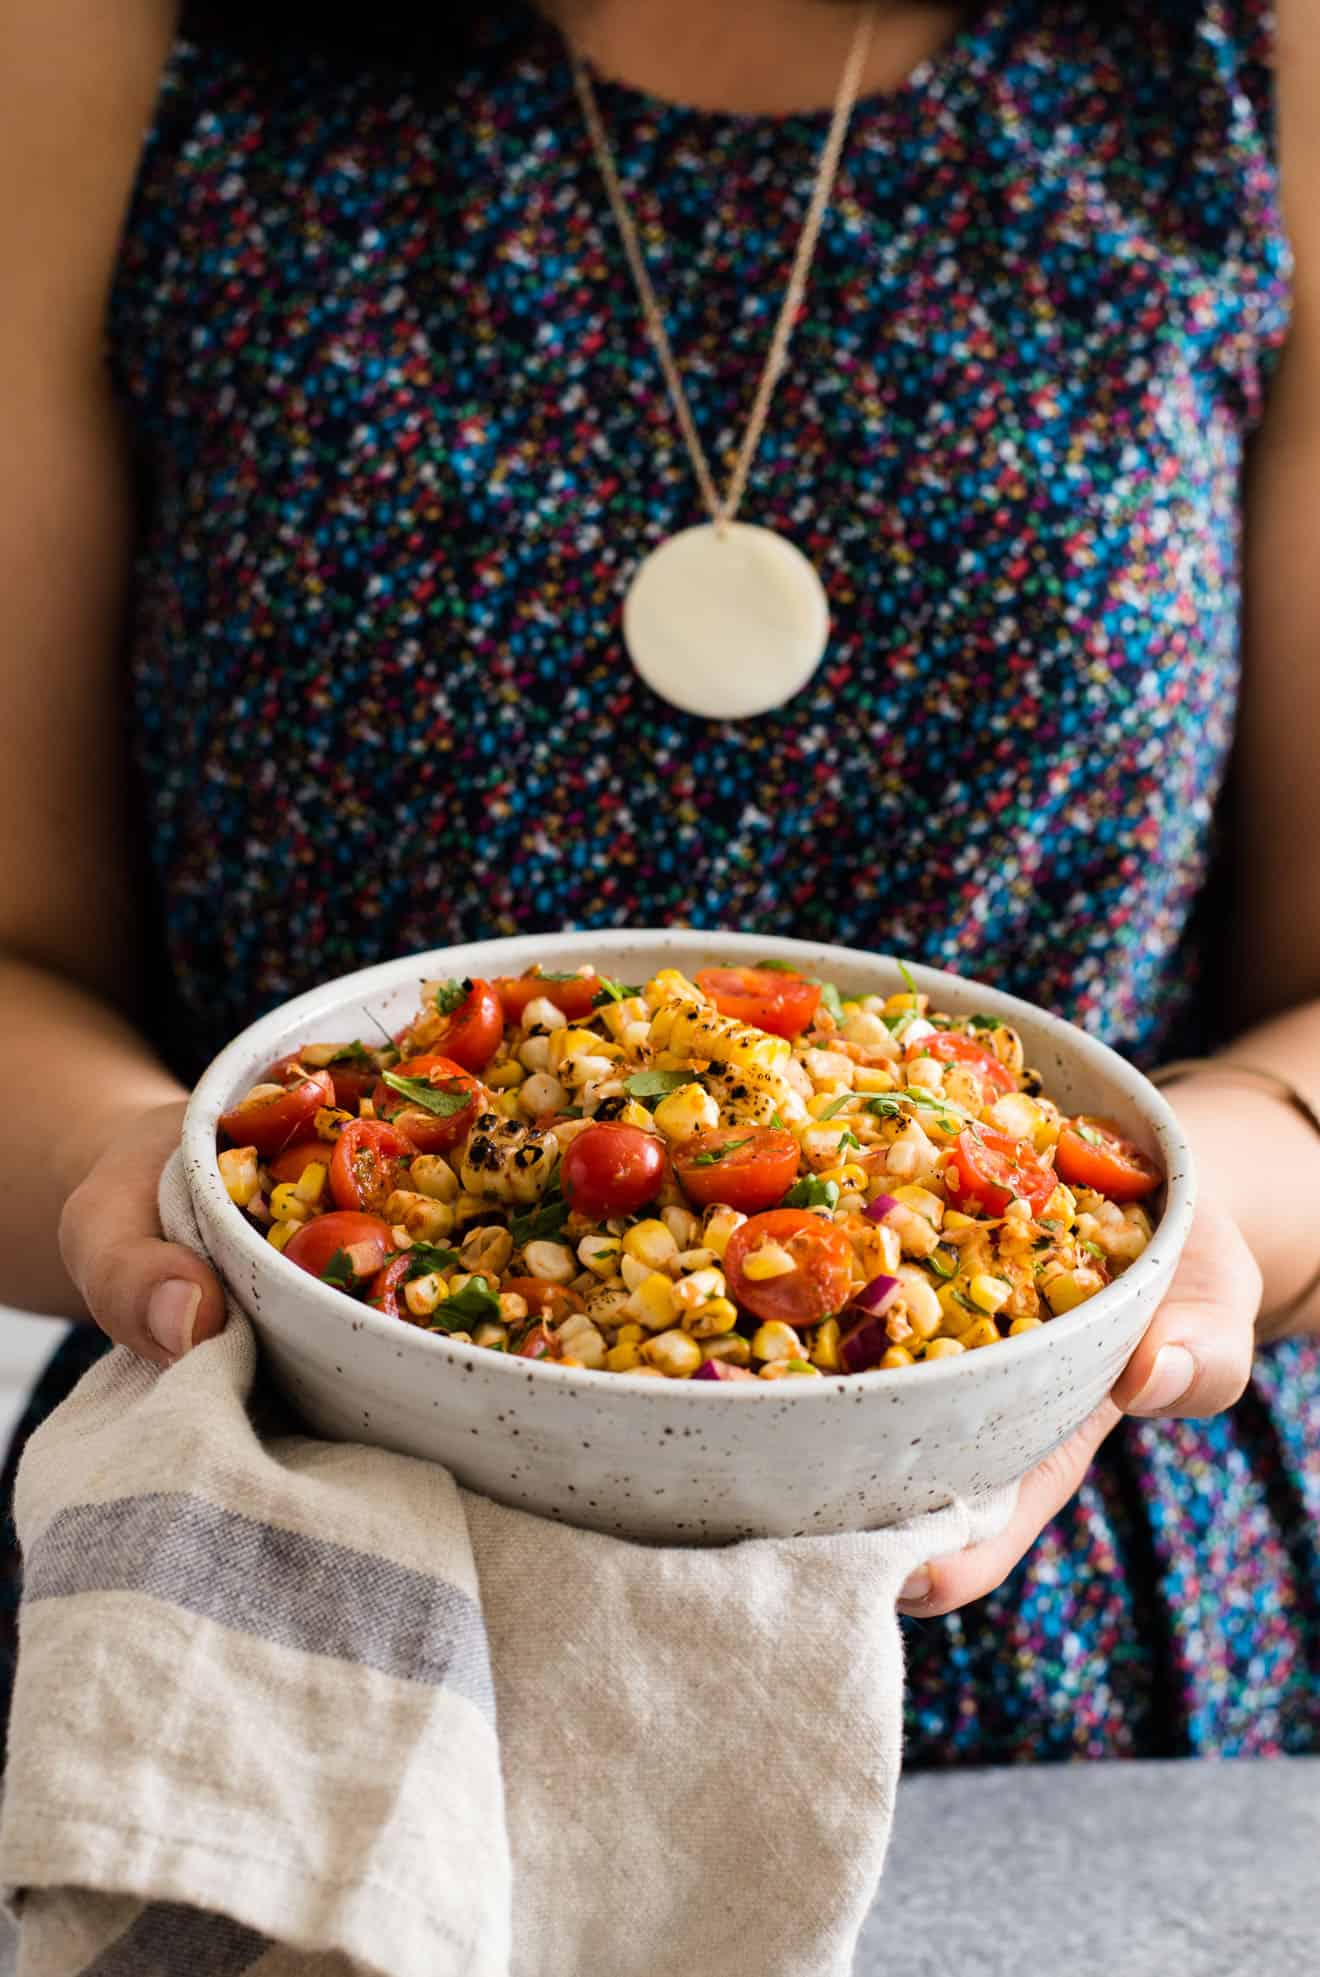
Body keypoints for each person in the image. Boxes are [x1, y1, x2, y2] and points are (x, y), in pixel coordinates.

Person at [1, 0, 1316, 1766]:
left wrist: (1179, 1225)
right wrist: (135, 1171)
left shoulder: (1257, 52)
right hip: (266, 1621)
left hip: (1074, 1619)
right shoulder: (105, 46)